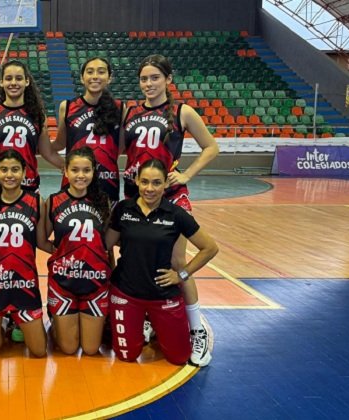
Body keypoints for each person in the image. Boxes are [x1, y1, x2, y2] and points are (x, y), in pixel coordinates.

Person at [122, 54, 220, 366]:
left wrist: (188, 174)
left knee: (178, 261)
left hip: (171, 194)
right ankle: (151, 315)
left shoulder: (182, 111)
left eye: (154, 78)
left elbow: (212, 146)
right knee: (140, 256)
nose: (148, 84)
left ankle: (197, 329)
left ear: (168, 80)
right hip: (137, 193)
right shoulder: (129, 111)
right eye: (144, 79)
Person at [105, 158, 218, 365]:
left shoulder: (176, 214)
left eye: (157, 183)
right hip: (126, 293)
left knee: (178, 357)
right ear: (136, 181)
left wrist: (181, 274)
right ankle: (142, 325)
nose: (150, 188)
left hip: (163, 294)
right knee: (126, 355)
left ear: (166, 184)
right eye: (145, 181)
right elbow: (106, 244)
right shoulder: (123, 209)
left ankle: (163, 326)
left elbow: (210, 248)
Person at [0, 149, 51, 358]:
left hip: (24, 283)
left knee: (39, 351)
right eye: (4, 170)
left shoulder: (36, 202)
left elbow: (42, 242)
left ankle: (13, 320)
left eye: (15, 170)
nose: (10, 175)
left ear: (25, 173)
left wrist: (71, 249)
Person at [44, 147, 111, 355]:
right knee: (69, 348)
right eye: (75, 170)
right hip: (63, 281)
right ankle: (54, 321)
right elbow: (41, 240)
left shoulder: (103, 202)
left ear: (94, 172)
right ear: (65, 171)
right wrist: (62, 253)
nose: (81, 175)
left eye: (86, 170)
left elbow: (106, 244)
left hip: (95, 281)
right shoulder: (53, 201)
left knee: (91, 349)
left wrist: (111, 271)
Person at [0, 60, 64, 197]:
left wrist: (68, 165)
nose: (13, 83)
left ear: (27, 82)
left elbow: (47, 152)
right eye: (8, 78)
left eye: (18, 78)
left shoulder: (37, 114)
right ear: (1, 82)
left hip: (26, 186)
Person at [53, 56, 124, 203]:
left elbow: (120, 147)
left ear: (109, 78)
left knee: (105, 224)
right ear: (82, 78)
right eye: (90, 72)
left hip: (107, 181)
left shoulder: (121, 108)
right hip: (74, 182)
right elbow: (59, 144)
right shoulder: (67, 107)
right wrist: (64, 165)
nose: (95, 76)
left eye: (101, 72)